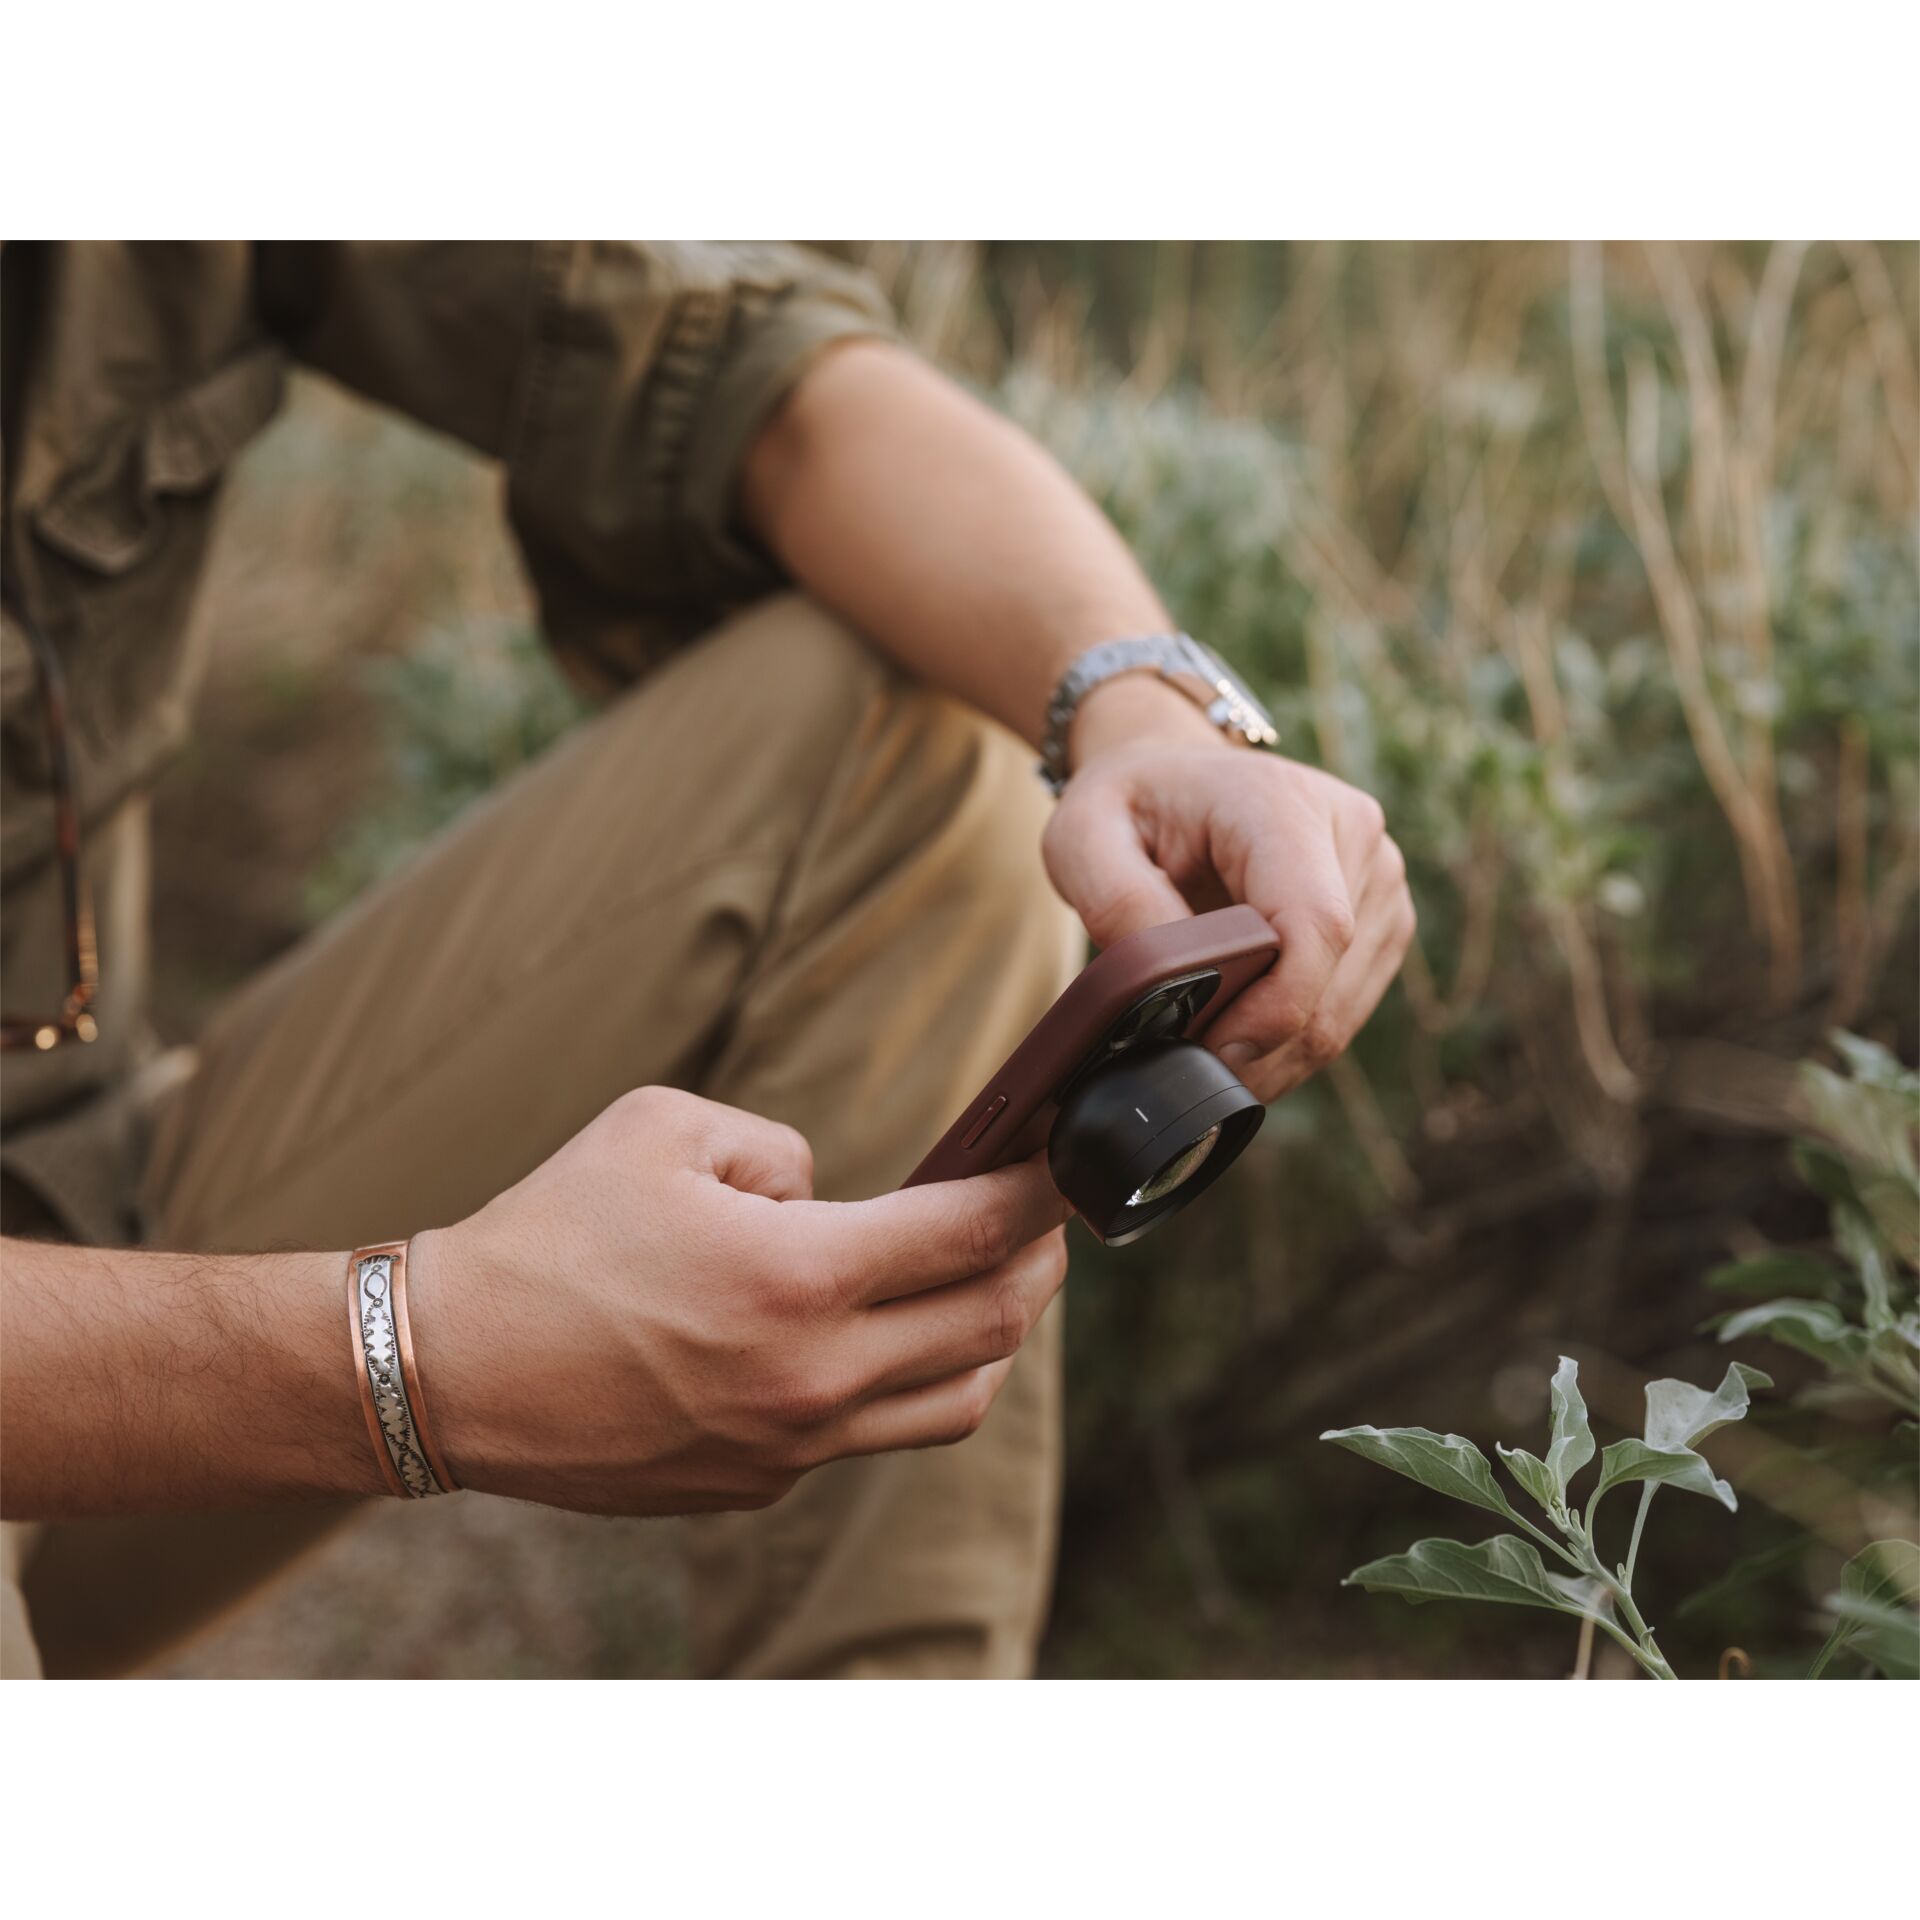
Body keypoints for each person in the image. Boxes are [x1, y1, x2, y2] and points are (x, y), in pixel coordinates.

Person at [0, 242, 1414, 1680]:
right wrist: (415, 1359)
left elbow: (747, 365)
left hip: (82, 1178)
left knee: (913, 727)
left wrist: (1148, 722)